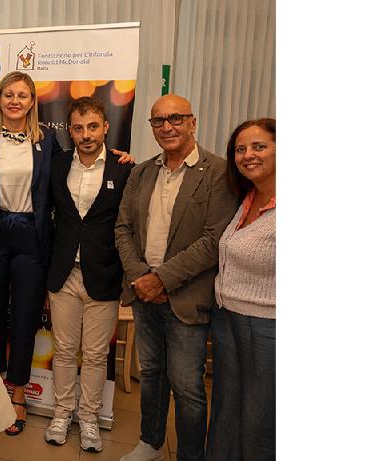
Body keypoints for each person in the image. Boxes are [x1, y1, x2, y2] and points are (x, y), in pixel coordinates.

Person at [114, 94, 237, 461]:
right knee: (151, 375)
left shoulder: (217, 172)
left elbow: (214, 240)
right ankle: (150, 443)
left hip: (185, 297)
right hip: (143, 292)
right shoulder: (142, 172)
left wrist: (162, 280)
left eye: (175, 119)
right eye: (158, 121)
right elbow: (123, 228)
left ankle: (189, 455)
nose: (167, 127)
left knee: (187, 387)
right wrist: (141, 278)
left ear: (192, 122)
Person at [42, 96, 135, 451]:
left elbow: (130, 225)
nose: (86, 135)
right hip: (63, 274)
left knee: (96, 355)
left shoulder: (124, 169)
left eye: (93, 126)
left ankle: (90, 418)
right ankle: (62, 413)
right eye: (78, 128)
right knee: (65, 351)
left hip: (103, 275)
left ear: (106, 127)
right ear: (70, 130)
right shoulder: (57, 164)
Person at [0, 71, 58, 436]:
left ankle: (19, 395)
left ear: (32, 102)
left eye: (23, 95)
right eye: (9, 94)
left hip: (30, 237)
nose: (15, 101)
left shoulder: (48, 141)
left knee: (24, 320)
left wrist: (118, 160)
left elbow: (70, 176)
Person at [206, 118, 276, 461]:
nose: (248, 155)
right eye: (240, 149)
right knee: (226, 412)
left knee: (260, 420)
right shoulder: (247, 198)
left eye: (259, 146)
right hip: (228, 317)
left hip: (267, 326)